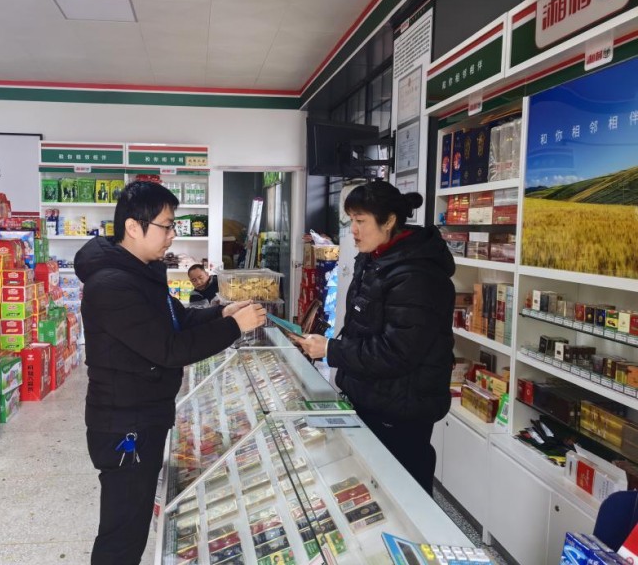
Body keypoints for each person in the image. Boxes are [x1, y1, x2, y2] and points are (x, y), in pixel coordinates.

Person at [74, 181, 266, 565]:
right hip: (125, 425)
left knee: (132, 524)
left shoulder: (140, 272)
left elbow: (178, 319)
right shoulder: (112, 285)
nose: (173, 234)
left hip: (144, 414)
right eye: (166, 225)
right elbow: (169, 349)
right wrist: (234, 328)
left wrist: (222, 313)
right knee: (123, 535)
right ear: (133, 227)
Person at [295, 181, 455, 496]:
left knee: (404, 494)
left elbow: (397, 352)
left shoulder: (417, 276)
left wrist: (331, 350)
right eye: (350, 220)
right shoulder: (376, 259)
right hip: (372, 398)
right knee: (371, 489)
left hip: (401, 409)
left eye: (361, 221)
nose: (353, 230)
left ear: (389, 221)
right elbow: (363, 327)